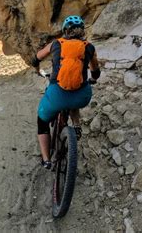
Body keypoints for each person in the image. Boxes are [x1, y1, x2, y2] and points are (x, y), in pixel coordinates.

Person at [31, 15, 100, 170]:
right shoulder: (89, 47)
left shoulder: (56, 44)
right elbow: (95, 70)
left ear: (65, 30)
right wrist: (93, 79)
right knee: (76, 93)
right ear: (82, 31)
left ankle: (46, 160)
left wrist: (37, 69)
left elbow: (36, 58)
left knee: (42, 122)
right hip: (82, 97)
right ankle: (76, 125)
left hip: (57, 95)